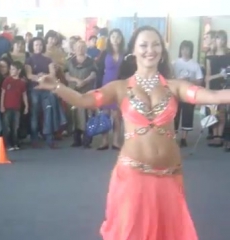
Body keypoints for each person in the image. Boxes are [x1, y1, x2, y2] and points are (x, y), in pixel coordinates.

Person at [34, 25, 230, 240]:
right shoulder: (119, 87)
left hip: (169, 177)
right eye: (143, 45)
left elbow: (215, 95)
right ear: (133, 51)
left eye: (156, 45)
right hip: (132, 176)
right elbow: (84, 100)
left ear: (162, 51)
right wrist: (57, 87)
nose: (150, 50)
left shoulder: (175, 87)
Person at [173, 40, 203, 147]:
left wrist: (189, 80)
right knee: (174, 115)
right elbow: (170, 79)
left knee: (187, 115)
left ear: (191, 51)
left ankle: (184, 138)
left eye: (188, 49)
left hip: (189, 93)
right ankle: (173, 136)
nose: (185, 51)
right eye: (183, 49)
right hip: (176, 94)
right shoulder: (175, 63)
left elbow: (200, 80)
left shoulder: (195, 65)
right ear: (180, 50)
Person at [0, 61, 29, 151]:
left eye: (13, 69)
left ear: (19, 71)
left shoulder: (22, 83)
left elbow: (24, 95)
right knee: (7, 127)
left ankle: (15, 143)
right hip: (7, 108)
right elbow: (3, 93)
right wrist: (1, 105)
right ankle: (8, 144)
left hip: (17, 108)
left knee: (15, 127)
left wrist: (27, 106)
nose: (11, 71)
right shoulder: (7, 80)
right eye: (11, 69)